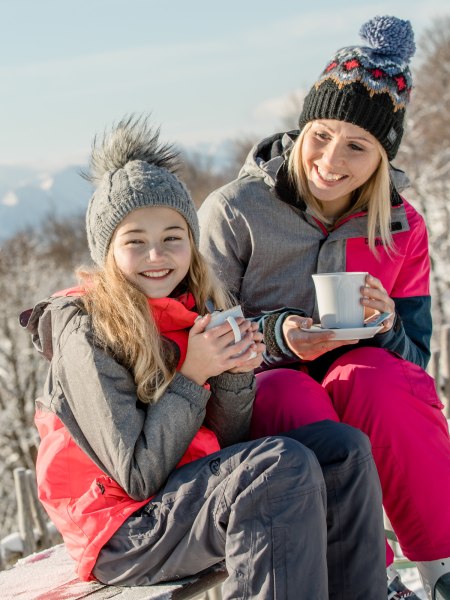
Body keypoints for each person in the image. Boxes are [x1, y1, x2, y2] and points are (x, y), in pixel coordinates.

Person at [20, 116, 386, 599]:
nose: (157, 254)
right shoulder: (85, 327)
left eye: (173, 236)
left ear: (191, 242)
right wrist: (193, 374)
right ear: (107, 251)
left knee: (342, 449)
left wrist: (234, 375)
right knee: (279, 464)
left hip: (180, 501)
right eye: (135, 241)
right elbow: (136, 476)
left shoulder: (191, 306)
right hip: (119, 530)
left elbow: (224, 444)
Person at [198, 15, 450, 600]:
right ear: (302, 127)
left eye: (357, 146)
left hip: (357, 390)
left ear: (381, 159)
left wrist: (384, 326)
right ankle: (372, 576)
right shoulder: (236, 210)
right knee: (293, 390)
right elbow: (197, 337)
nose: (331, 160)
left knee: (381, 377)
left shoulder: (400, 226)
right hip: (255, 399)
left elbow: (417, 359)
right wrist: (281, 339)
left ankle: (442, 567)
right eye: (321, 135)